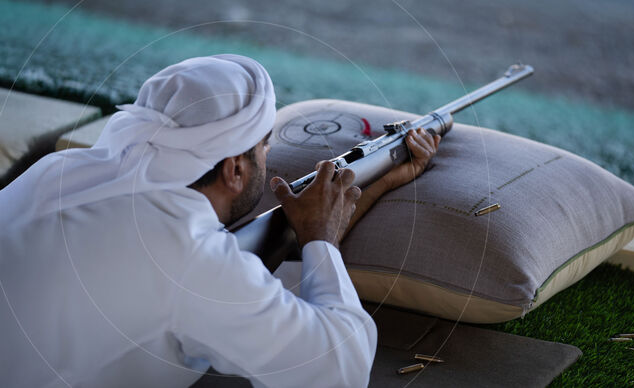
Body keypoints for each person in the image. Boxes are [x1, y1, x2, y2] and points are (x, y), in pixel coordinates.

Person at [0, 54, 440, 388]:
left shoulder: (56, 172)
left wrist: (377, 183)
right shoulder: (194, 261)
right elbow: (341, 365)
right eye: (265, 148)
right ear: (234, 170)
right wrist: (321, 239)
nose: (269, 158)